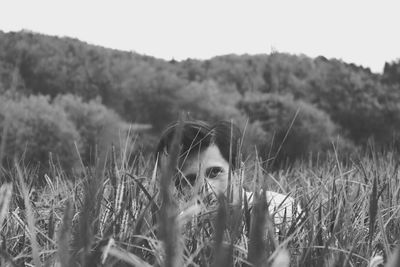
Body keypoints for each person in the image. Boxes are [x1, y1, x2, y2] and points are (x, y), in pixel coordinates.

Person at [156, 120, 301, 226]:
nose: (206, 189)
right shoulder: (182, 225)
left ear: (239, 172)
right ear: (180, 189)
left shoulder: (278, 209)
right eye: (191, 180)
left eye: (214, 173)